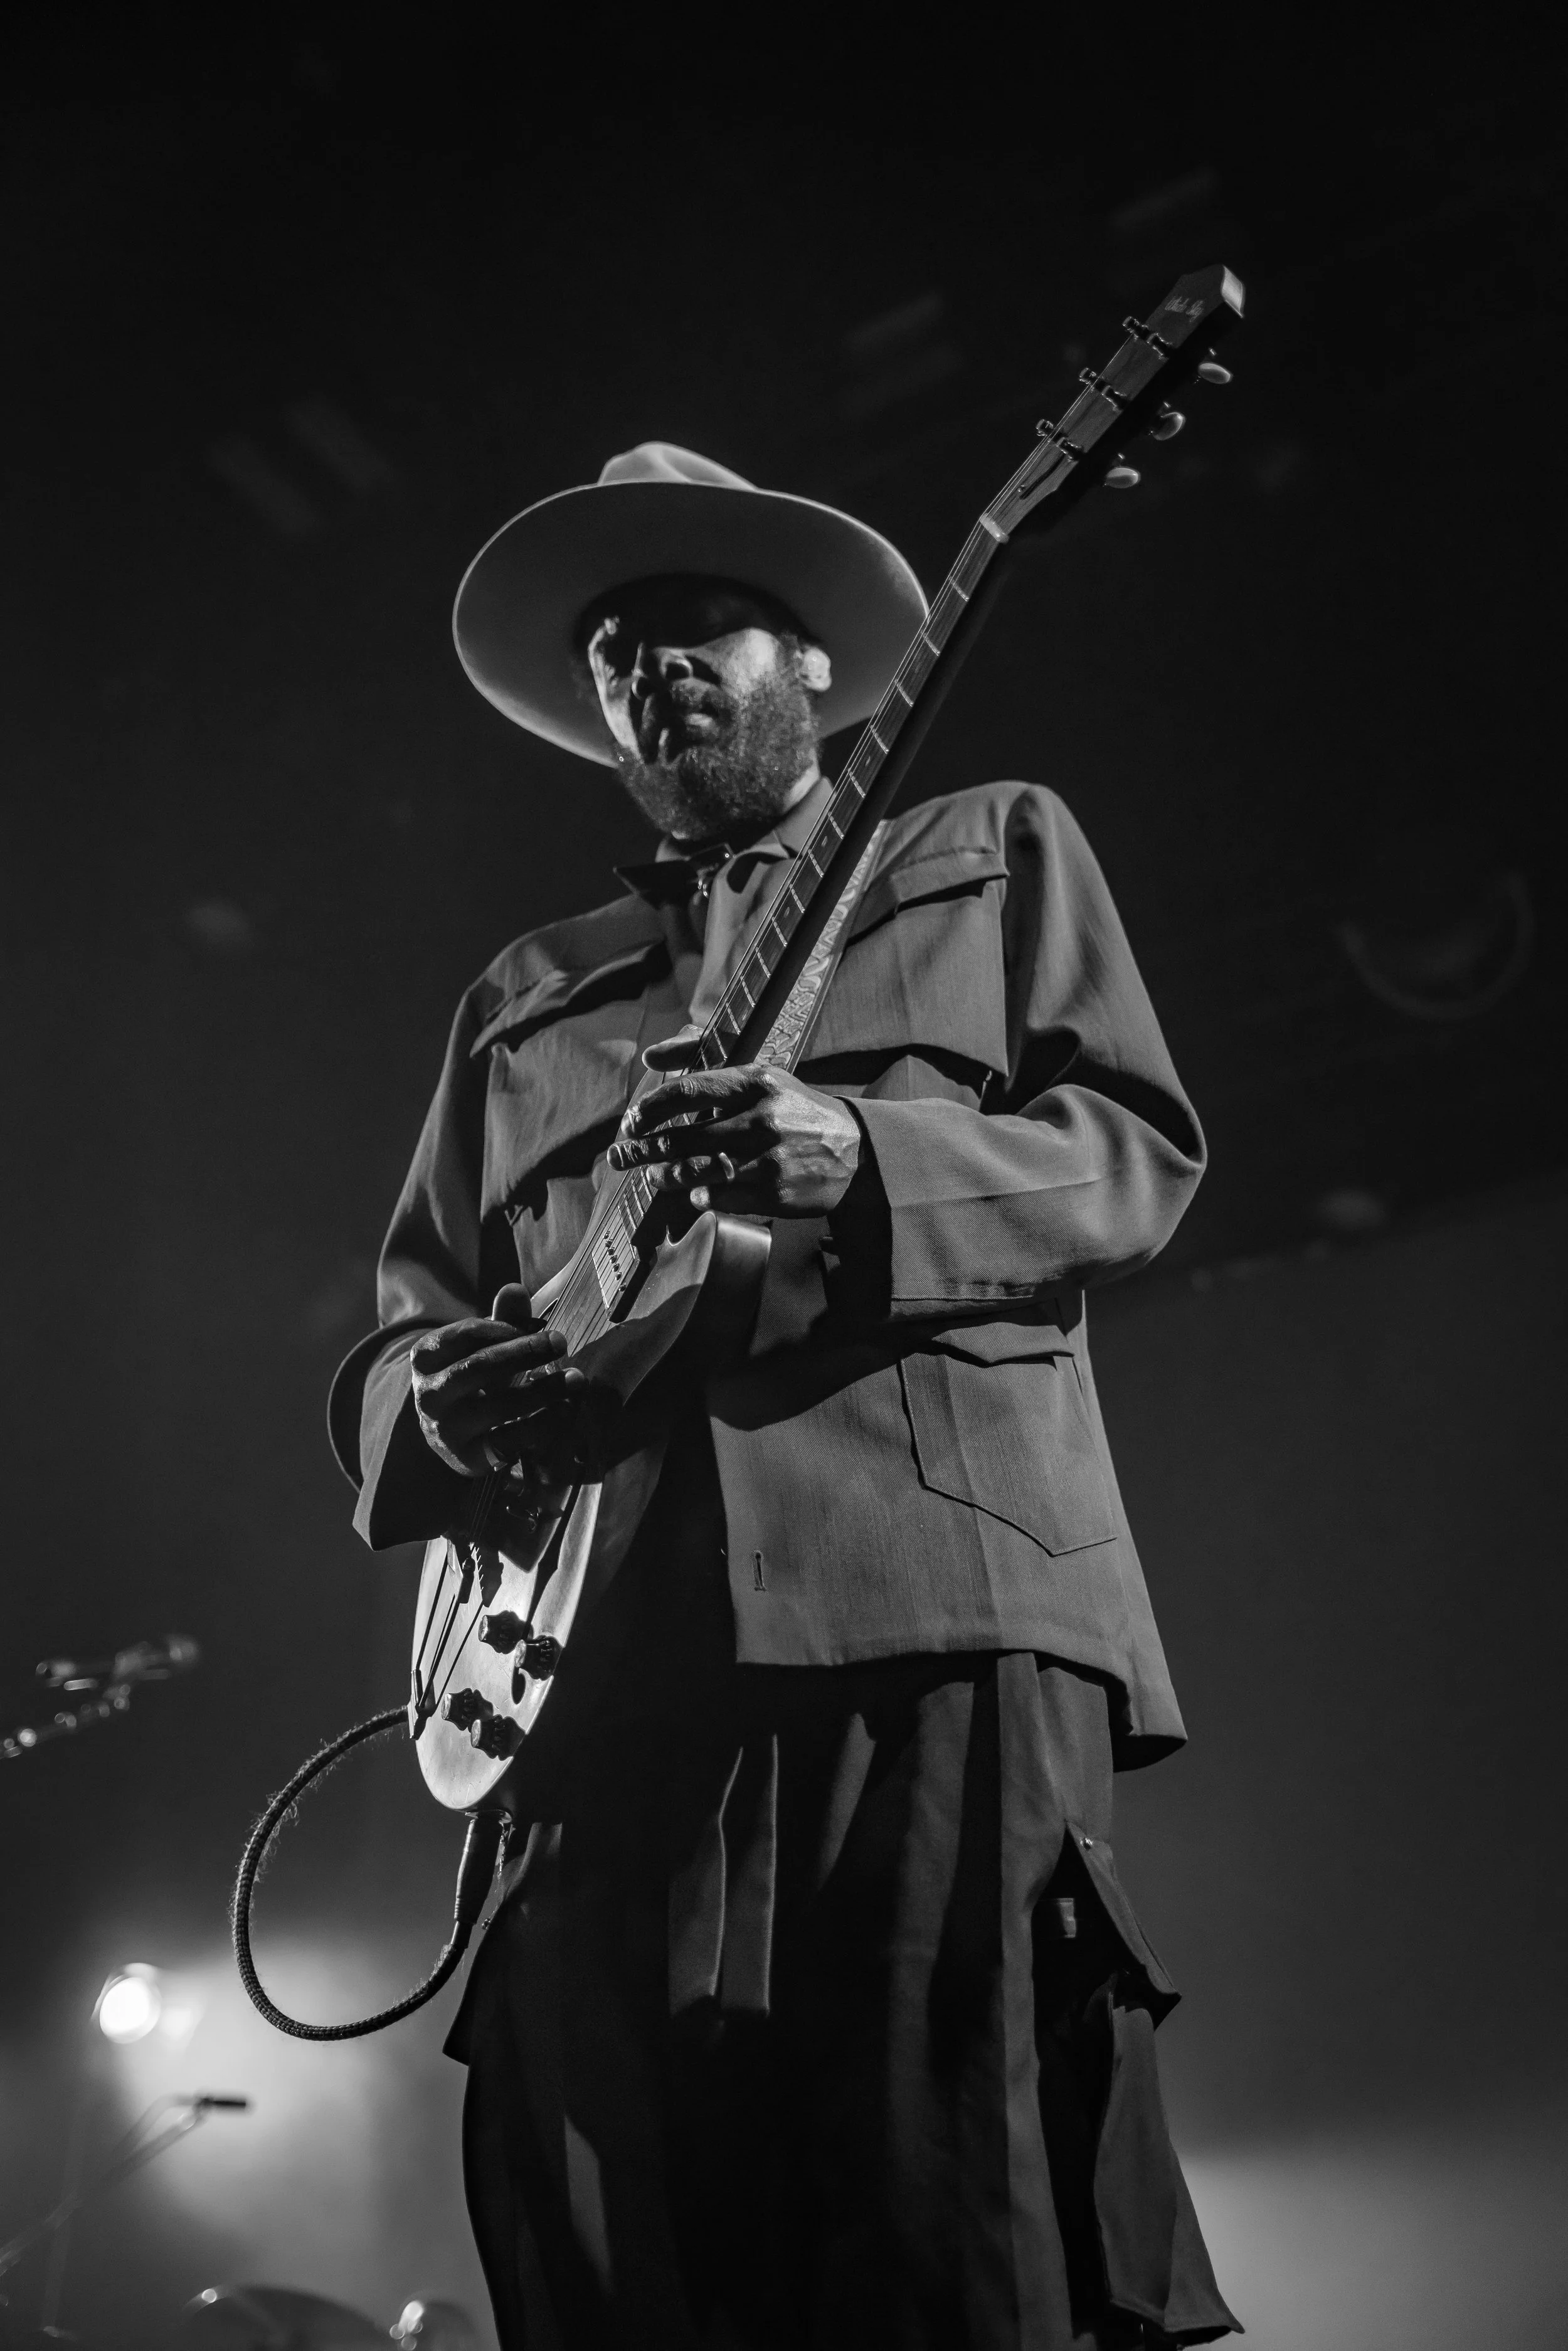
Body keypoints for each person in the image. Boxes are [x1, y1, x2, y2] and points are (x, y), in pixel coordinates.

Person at [329, 441, 1239, 2350]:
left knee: (948, 2206)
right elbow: (409, 1312)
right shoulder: (524, 993)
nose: (646, 666)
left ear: (816, 661)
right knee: (607, 2235)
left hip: (929, 1597)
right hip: (587, 1680)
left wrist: (870, 1150)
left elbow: (1131, 1152)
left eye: (694, 623)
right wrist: (442, 1400)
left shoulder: (984, 844)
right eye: (609, 647)